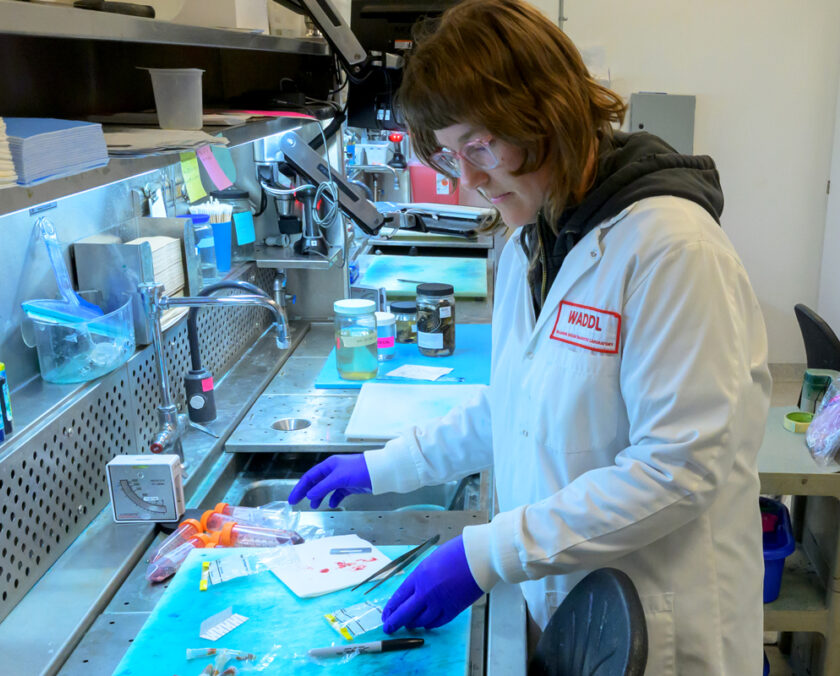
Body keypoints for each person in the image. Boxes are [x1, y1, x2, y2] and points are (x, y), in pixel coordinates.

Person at [288, 0, 771, 673]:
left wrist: (486, 554)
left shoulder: (672, 250)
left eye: (482, 145)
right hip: (577, 607)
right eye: (453, 157)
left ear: (550, 112)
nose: (472, 181)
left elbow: (678, 470)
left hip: (668, 628)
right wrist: (384, 468)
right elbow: (509, 408)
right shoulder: (532, 242)